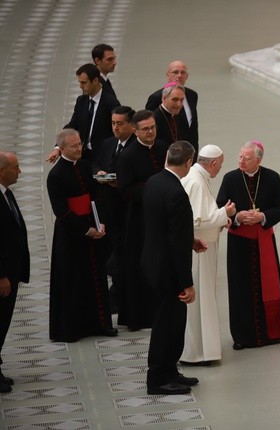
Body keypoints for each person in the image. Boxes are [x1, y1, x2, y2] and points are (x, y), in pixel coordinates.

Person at [142, 140, 205, 395]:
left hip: (153, 264)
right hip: (169, 271)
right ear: (189, 163)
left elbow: (164, 227)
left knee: (168, 323)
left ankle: (169, 371)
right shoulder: (177, 192)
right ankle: (157, 379)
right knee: (168, 326)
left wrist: (189, 240)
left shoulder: (154, 181)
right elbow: (176, 243)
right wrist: (187, 284)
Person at [216, 141, 280, 349]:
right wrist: (237, 216)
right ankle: (243, 336)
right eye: (239, 157)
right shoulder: (230, 178)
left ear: (258, 160)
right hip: (239, 242)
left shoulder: (272, 178)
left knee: (267, 285)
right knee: (240, 288)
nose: (241, 161)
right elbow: (220, 205)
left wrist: (263, 216)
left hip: (264, 239)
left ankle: (272, 333)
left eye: (246, 158)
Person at [46, 129, 117, 342]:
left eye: (80, 144)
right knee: (73, 279)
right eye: (73, 146)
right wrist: (87, 230)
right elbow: (62, 211)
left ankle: (99, 323)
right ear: (62, 149)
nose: (79, 148)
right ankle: (72, 329)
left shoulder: (85, 166)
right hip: (71, 235)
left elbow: (97, 197)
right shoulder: (56, 175)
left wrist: (100, 222)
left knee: (95, 277)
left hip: (92, 228)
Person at [180, 145, 236, 365]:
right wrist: (226, 213)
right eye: (220, 164)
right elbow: (197, 222)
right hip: (199, 249)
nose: (220, 169)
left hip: (203, 247)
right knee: (200, 300)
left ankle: (203, 350)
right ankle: (197, 352)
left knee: (204, 299)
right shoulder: (196, 182)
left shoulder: (197, 177)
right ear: (212, 163)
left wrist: (222, 218)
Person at [115, 110, 168, 330]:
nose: (150, 132)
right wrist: (154, 188)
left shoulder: (164, 148)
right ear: (135, 130)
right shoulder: (127, 156)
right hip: (140, 220)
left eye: (153, 127)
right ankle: (141, 316)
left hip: (164, 216)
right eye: (145, 129)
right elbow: (125, 191)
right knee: (141, 265)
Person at [95, 106, 137, 314]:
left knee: (121, 259)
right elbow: (96, 164)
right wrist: (100, 173)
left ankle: (119, 298)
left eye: (120, 124)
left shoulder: (136, 148)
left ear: (131, 125)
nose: (115, 128)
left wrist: (119, 183)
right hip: (107, 210)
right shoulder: (108, 144)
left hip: (127, 212)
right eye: (113, 123)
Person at [46, 63, 120, 163]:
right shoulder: (81, 101)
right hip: (83, 156)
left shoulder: (111, 103)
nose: (80, 86)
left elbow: (117, 132)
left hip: (103, 158)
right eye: (80, 82)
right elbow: (73, 125)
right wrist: (58, 148)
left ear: (95, 81)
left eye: (84, 83)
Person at [0, 151, 30, 393]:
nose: (19, 172)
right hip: (3, 277)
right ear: (2, 171)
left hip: (11, 272)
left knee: (3, 322)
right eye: (16, 167)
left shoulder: (6, 193)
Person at [145, 60, 198, 147]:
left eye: (183, 72)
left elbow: (193, 126)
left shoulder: (192, 95)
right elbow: (149, 125)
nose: (179, 76)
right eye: (175, 72)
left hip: (189, 150)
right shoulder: (156, 97)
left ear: (187, 76)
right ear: (167, 75)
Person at [152, 83, 198, 151]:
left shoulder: (177, 115)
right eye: (175, 99)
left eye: (181, 100)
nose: (179, 104)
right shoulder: (154, 118)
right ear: (164, 98)